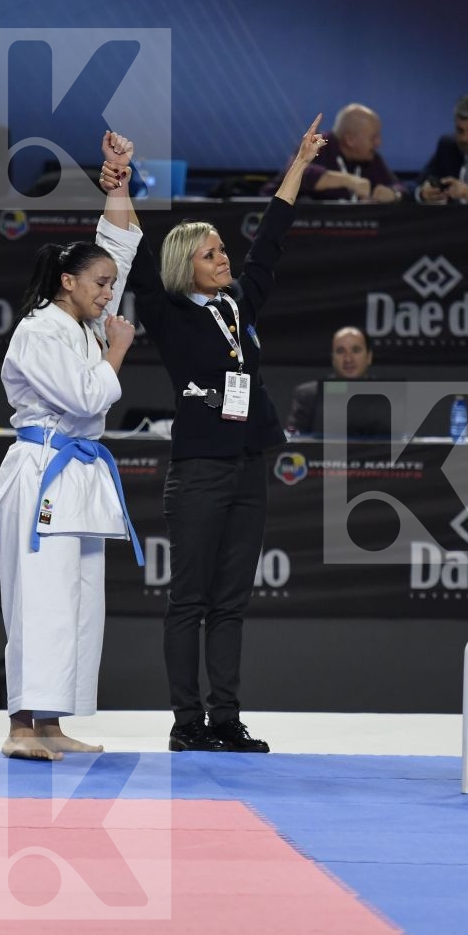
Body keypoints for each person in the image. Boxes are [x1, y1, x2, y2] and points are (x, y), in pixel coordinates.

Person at [126, 115, 327, 754]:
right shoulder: (165, 311)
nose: (225, 260)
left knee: (232, 602)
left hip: (246, 466)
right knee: (190, 599)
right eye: (212, 253)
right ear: (188, 263)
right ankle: (187, 724)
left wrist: (298, 162)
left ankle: (226, 720)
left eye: (222, 251)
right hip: (199, 472)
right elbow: (129, 247)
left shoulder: (238, 305)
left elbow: (271, 239)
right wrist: (118, 184)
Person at [0, 132, 142, 761]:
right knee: (38, 599)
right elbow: (83, 399)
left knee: (77, 602)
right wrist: (120, 352)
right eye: (99, 286)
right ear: (68, 282)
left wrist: (120, 185)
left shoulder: (83, 322)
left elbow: (119, 249)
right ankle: (21, 726)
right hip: (44, 465)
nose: (110, 294)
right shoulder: (40, 330)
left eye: (110, 287)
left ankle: (51, 724)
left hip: (78, 475)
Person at [269, 103, 404, 203]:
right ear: (350, 140)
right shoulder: (317, 144)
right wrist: (348, 180)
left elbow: (400, 187)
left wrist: (394, 194)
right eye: (373, 137)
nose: (379, 143)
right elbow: (300, 174)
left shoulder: (370, 157)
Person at [284, 326, 373, 433]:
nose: (348, 359)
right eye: (340, 351)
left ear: (369, 356)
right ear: (333, 358)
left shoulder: (389, 394)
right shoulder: (309, 395)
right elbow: (293, 438)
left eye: (356, 350)